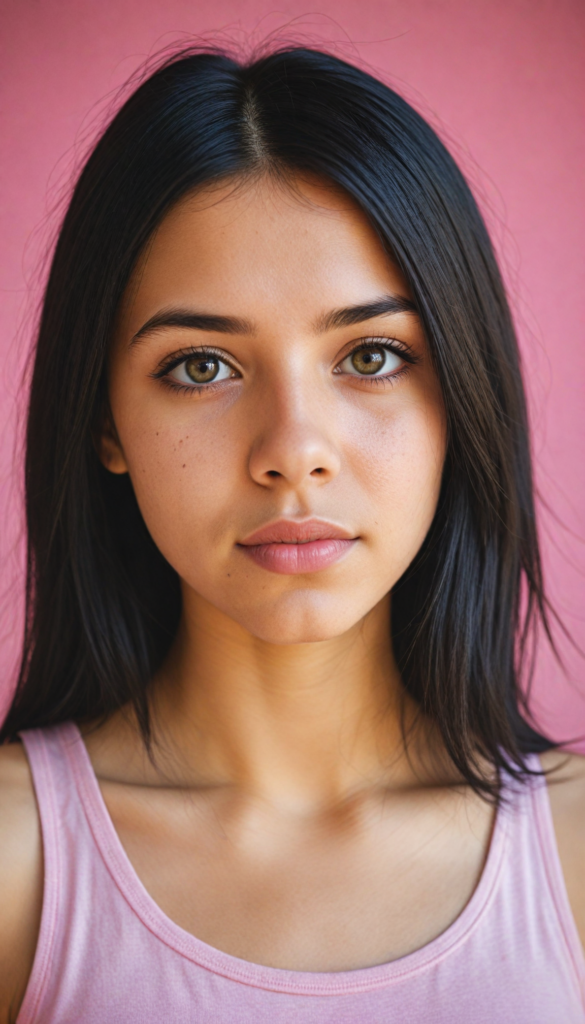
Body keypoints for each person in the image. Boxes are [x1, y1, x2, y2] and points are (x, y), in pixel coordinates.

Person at [0, 45, 583, 1024]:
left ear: (463, 398)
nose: (293, 452)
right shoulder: (16, 859)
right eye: (201, 367)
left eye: (371, 354)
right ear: (104, 420)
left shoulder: (576, 854)